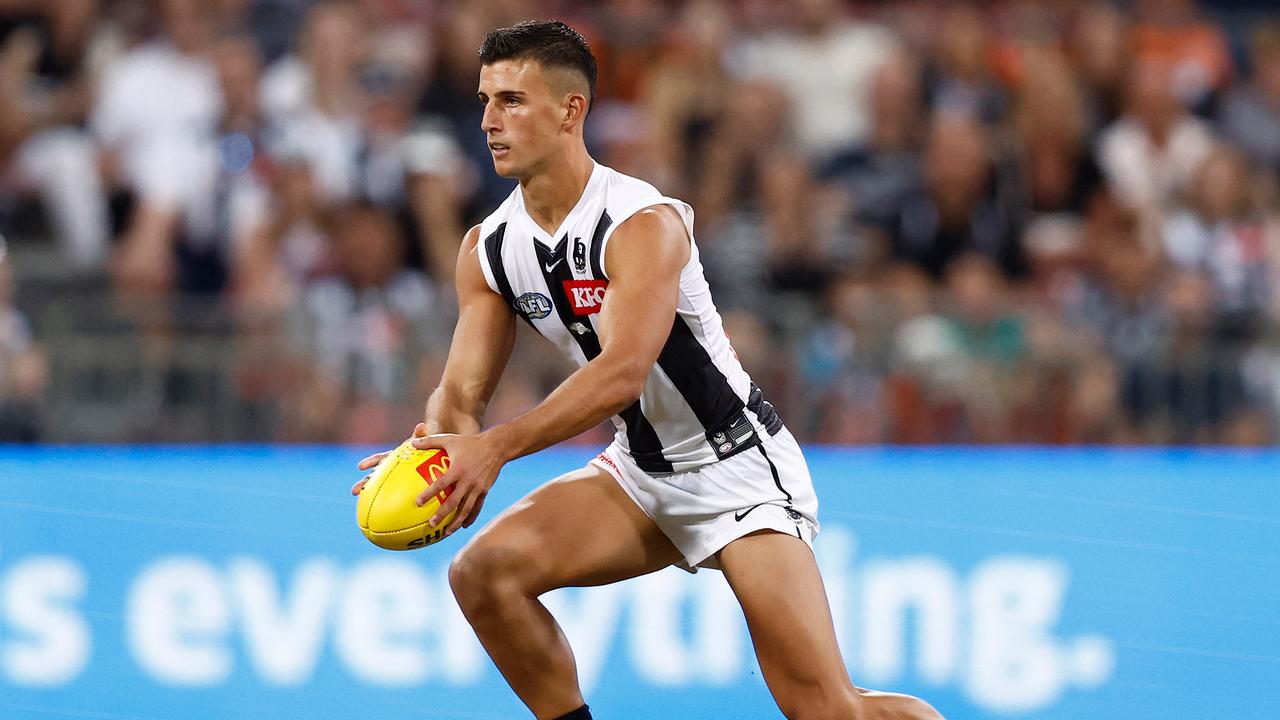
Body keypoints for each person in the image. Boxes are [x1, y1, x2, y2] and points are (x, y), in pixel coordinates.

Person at [351, 20, 944, 720]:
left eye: (511, 100)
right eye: (485, 100)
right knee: (483, 574)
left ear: (571, 111)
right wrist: (443, 451)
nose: (487, 121)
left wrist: (496, 449)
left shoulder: (641, 222)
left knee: (827, 711)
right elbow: (460, 393)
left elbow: (623, 373)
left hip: (736, 466)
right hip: (640, 470)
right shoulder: (490, 247)